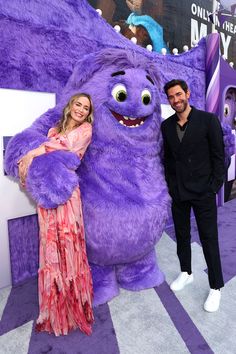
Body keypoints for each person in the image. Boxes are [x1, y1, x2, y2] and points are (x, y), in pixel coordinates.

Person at [18, 93, 94, 335]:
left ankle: (74, 308)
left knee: (69, 244)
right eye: (78, 104)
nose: (81, 110)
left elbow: (65, 148)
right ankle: (55, 309)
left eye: (85, 107)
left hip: (67, 194)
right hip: (47, 196)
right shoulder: (52, 130)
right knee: (50, 245)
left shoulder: (85, 131)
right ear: (70, 106)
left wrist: (32, 154)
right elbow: (49, 154)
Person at [161, 79, 225, 312]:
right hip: (178, 192)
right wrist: (170, 184)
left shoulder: (208, 121)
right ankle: (186, 272)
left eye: (179, 94)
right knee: (182, 235)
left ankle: (216, 286)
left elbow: (219, 157)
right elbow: (167, 159)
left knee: (209, 239)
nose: (176, 100)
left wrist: (213, 186)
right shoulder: (166, 126)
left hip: (203, 192)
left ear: (187, 93)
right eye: (171, 97)